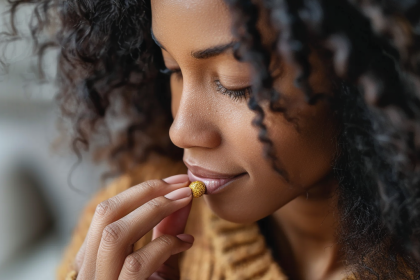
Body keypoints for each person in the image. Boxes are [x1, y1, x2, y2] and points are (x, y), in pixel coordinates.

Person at [4, 0, 420, 279]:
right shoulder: (124, 237)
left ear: (365, 75)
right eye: (172, 70)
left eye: (236, 83)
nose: (181, 130)